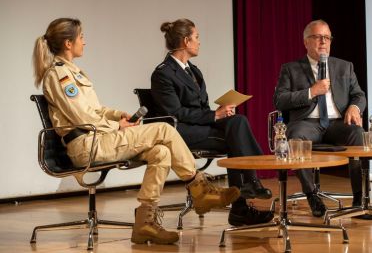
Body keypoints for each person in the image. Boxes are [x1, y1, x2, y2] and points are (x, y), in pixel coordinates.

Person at [32, 18, 240, 245]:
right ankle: (199, 188)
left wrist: (117, 116)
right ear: (68, 43)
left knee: (161, 152)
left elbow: (95, 110)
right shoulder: (58, 75)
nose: (85, 41)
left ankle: (145, 223)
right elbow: (81, 117)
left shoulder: (74, 72)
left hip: (98, 139)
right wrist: (116, 126)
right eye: (81, 37)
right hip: (87, 145)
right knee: (163, 129)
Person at [150, 18, 274, 227]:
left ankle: (245, 197)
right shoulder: (163, 73)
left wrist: (221, 112)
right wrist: (215, 116)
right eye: (197, 37)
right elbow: (176, 113)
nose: (199, 42)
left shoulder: (194, 70)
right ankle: (244, 198)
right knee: (236, 135)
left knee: (237, 121)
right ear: (186, 41)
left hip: (200, 125)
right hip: (181, 132)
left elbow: (201, 108)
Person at [273, 19, 372, 219]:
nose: (323, 42)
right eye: (317, 37)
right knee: (295, 137)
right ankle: (312, 195)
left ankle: (359, 199)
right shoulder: (291, 69)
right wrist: (311, 92)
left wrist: (354, 107)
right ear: (306, 42)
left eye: (326, 37)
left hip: (337, 124)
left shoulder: (345, 67)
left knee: (359, 136)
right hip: (307, 123)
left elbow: (359, 95)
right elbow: (280, 100)